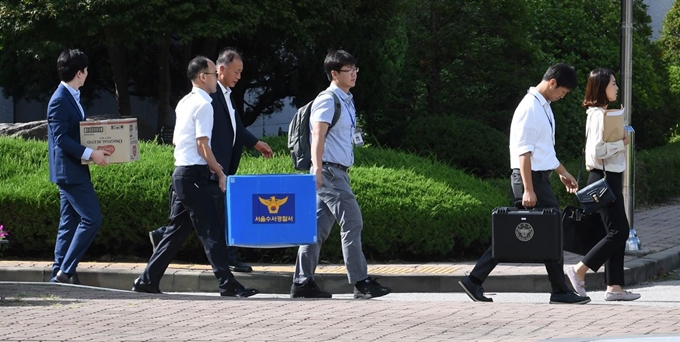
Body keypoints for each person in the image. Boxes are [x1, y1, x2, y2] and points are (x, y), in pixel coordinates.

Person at [458, 63, 591, 305]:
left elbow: (543, 151)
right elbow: (524, 153)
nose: (563, 97)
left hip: (536, 177)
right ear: (553, 83)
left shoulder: (543, 106)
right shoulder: (530, 108)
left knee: (526, 233)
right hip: (528, 179)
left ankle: (475, 280)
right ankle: (559, 290)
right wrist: (529, 189)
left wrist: (562, 172)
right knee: (551, 233)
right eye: (563, 92)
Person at [132, 56, 258, 297]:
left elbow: (179, 140)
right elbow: (203, 144)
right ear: (203, 77)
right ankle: (227, 283)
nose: (215, 80)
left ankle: (147, 280)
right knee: (211, 230)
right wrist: (219, 171)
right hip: (194, 175)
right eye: (212, 75)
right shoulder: (204, 104)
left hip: (182, 173)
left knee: (176, 232)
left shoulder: (184, 102)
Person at [148, 48, 273, 273]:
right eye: (236, 71)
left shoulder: (222, 94)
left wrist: (255, 143)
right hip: (206, 168)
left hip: (208, 167)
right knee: (214, 223)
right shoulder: (207, 97)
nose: (239, 76)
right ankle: (226, 272)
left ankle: (153, 266)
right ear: (219, 70)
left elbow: (236, 127)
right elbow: (201, 140)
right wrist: (215, 166)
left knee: (187, 223)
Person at [290, 50, 391, 299]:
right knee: (353, 222)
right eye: (349, 70)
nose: (354, 73)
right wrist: (316, 170)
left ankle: (302, 283)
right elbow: (318, 136)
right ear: (334, 74)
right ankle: (360, 281)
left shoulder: (347, 99)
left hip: (337, 172)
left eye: (355, 68)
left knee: (314, 229)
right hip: (328, 171)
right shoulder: (327, 99)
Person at [564, 68, 640, 302]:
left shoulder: (603, 113)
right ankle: (578, 270)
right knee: (620, 232)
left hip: (608, 178)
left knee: (614, 232)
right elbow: (596, 152)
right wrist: (622, 142)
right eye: (613, 84)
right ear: (601, 88)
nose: (616, 87)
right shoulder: (598, 115)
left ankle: (614, 287)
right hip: (603, 179)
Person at [47, 49, 110, 284]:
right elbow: (60, 138)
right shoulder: (60, 100)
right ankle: (66, 270)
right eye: (85, 70)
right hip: (70, 171)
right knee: (92, 219)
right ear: (79, 73)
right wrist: (91, 153)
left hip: (72, 169)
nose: (87, 74)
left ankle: (58, 274)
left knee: (69, 223)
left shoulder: (71, 95)